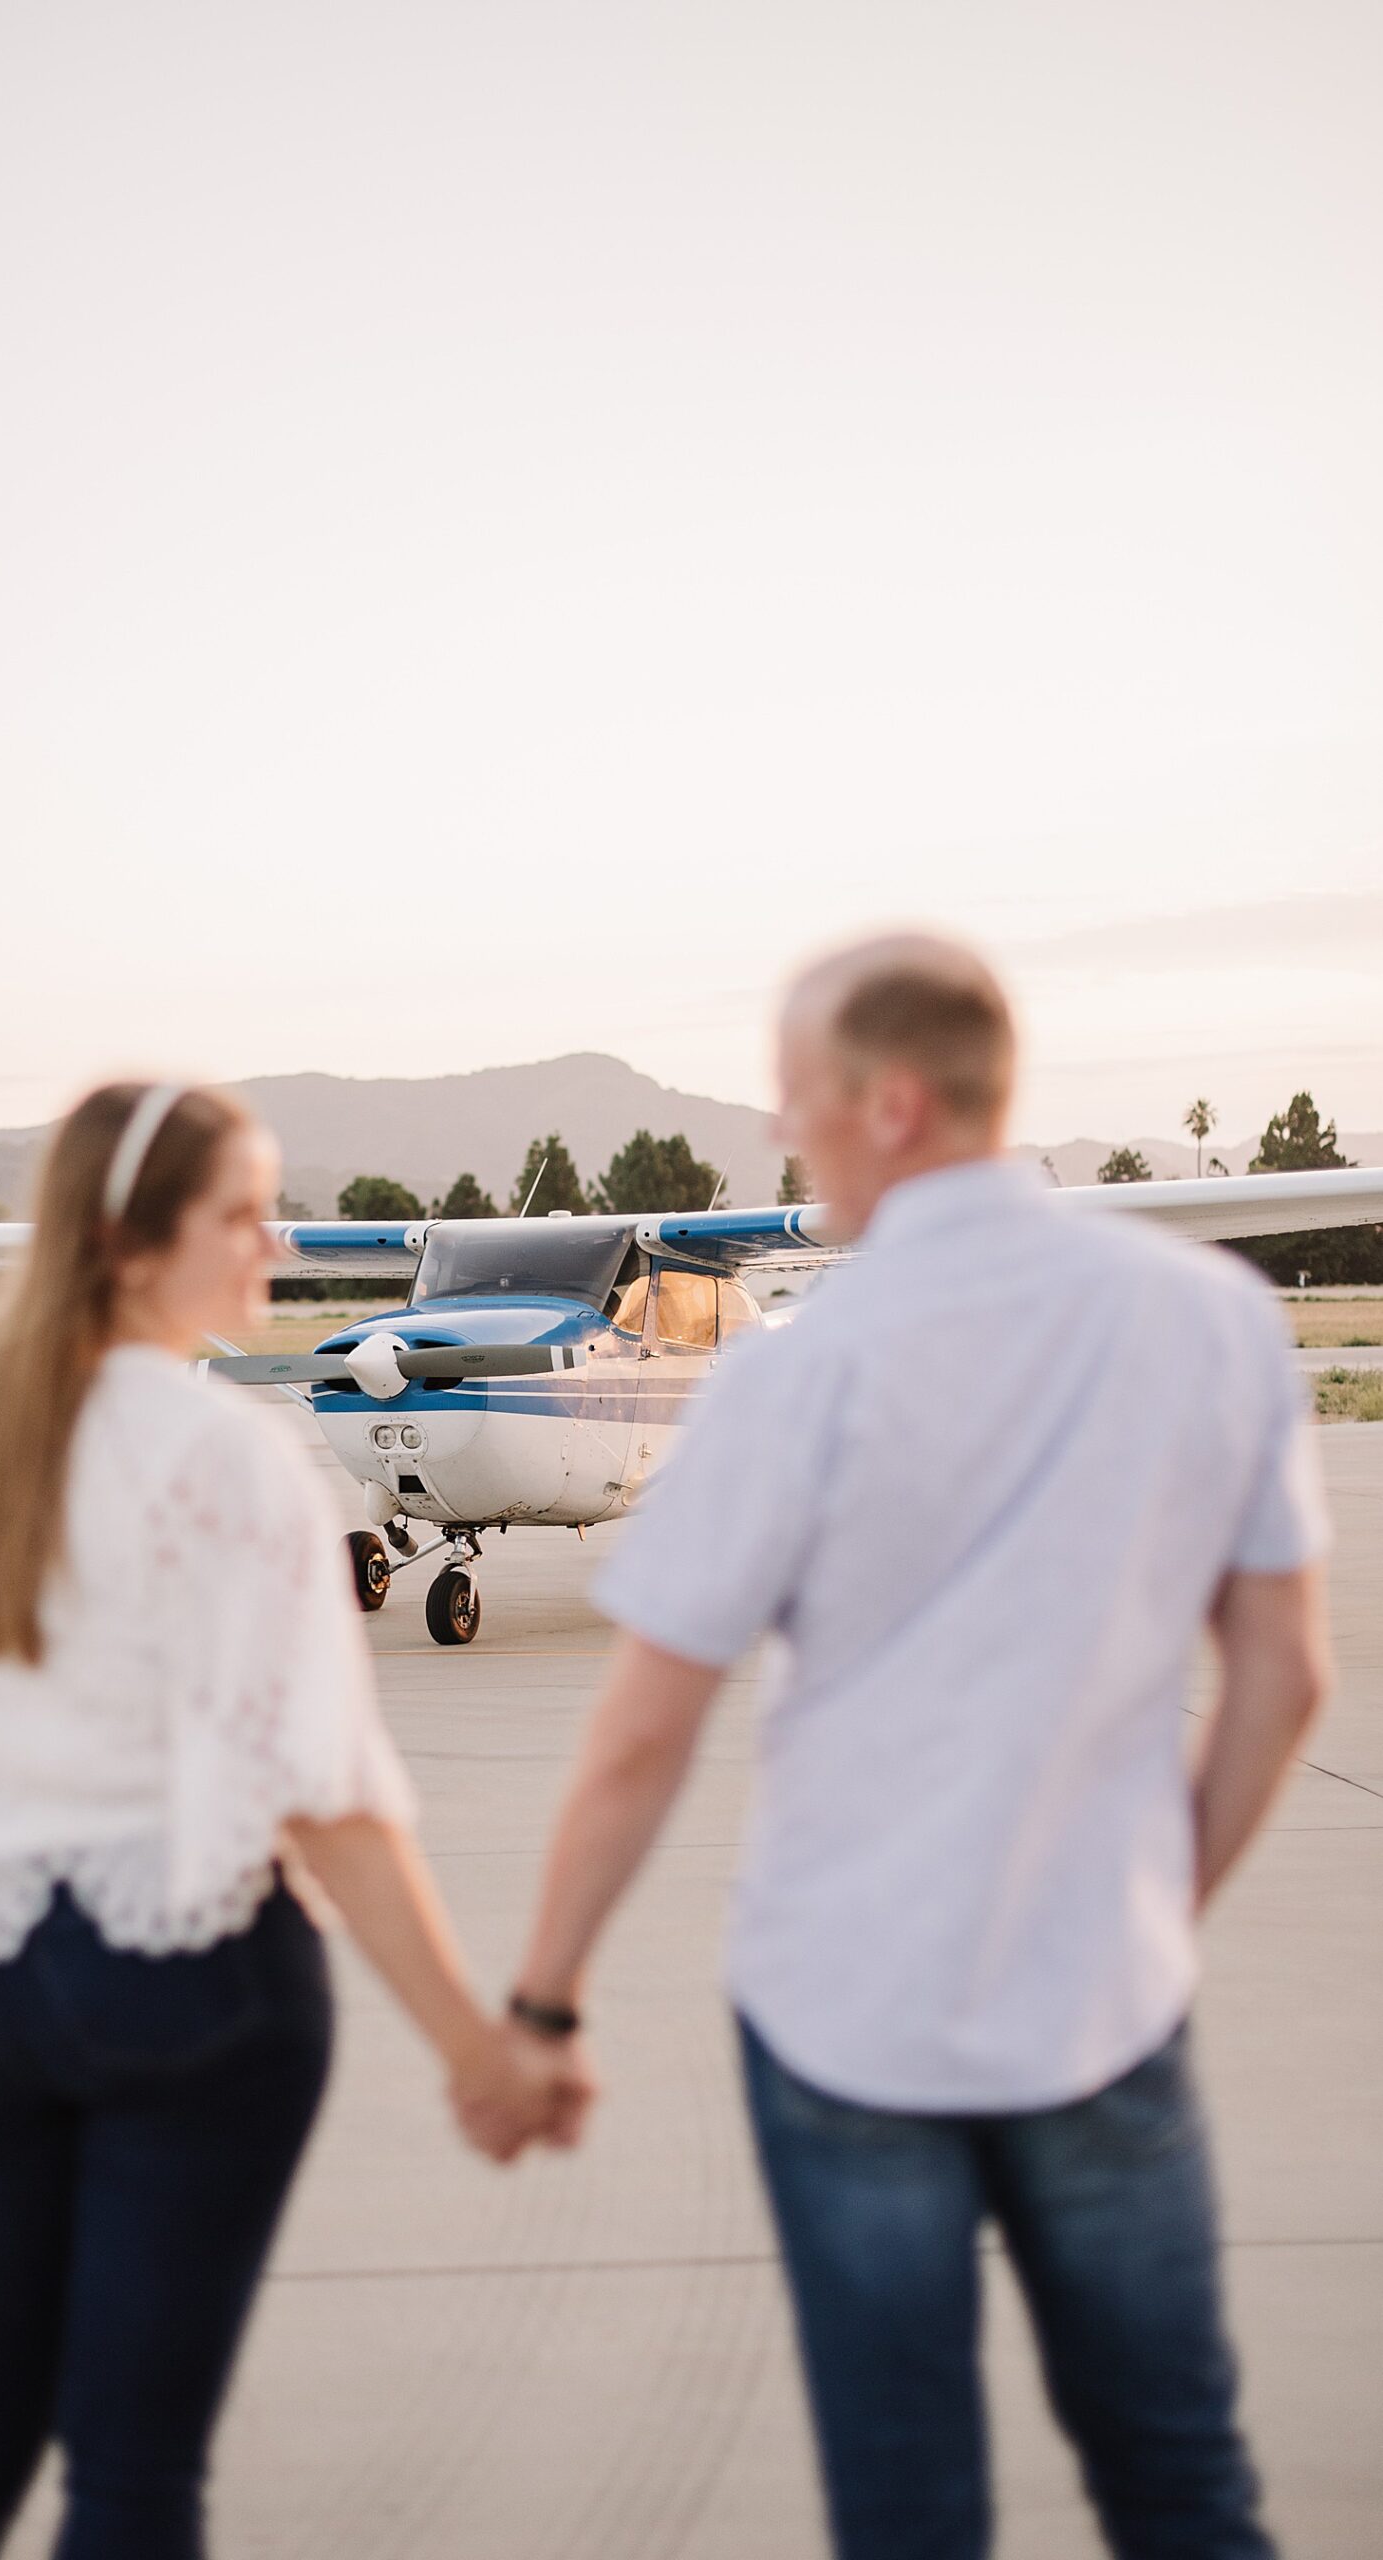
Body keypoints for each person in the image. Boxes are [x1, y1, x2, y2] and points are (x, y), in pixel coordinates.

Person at [506, 935, 1329, 2559]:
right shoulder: (1212, 1322)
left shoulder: (792, 1382)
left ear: (887, 1102)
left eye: (795, 1096)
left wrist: (540, 2002)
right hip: (1104, 2004)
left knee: (905, 2510)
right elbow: (1282, 1680)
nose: (776, 1135)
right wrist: (1153, 1902)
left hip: (845, 2025)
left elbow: (639, 1739)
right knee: (1182, 2483)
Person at [0, 1079, 590, 2560]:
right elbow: (331, 1798)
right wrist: (478, 2046)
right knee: (134, 2478)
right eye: (242, 1210)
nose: (275, 1240)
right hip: (179, 1979)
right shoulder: (228, 1460)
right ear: (134, 1241)